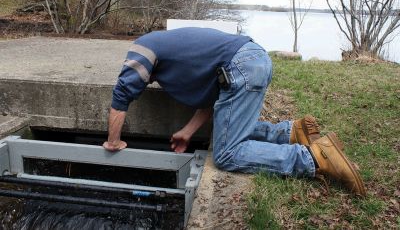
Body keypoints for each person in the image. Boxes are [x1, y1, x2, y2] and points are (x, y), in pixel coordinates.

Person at [103, 27, 365, 196]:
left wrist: (113, 141)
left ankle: (314, 157)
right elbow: (213, 102)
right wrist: (187, 132)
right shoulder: (178, 53)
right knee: (229, 128)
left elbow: (122, 93)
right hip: (255, 58)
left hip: (240, 67)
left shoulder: (142, 48)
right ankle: (291, 133)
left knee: (227, 153)